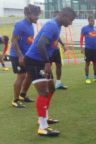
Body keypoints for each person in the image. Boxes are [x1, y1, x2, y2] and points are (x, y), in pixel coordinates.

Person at [24, 7, 76, 136]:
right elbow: (40, 44)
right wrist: (47, 62)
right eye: (70, 20)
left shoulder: (57, 25)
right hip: (35, 61)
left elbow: (49, 43)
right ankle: (42, 127)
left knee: (51, 89)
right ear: (63, 15)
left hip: (41, 61)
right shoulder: (52, 25)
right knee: (43, 92)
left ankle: (44, 117)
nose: (71, 23)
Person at [10, 4, 41, 108]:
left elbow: (29, 41)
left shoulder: (31, 25)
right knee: (21, 76)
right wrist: (20, 56)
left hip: (27, 55)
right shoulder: (20, 25)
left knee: (29, 75)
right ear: (28, 14)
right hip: (17, 55)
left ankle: (23, 95)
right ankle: (15, 100)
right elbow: (13, 41)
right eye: (36, 15)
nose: (37, 17)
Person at [80, 16, 96, 84]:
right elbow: (81, 38)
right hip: (88, 49)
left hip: (95, 49)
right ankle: (87, 78)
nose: (92, 22)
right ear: (88, 21)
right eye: (91, 21)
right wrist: (81, 47)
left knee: (95, 64)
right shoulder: (84, 28)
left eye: (93, 21)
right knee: (87, 63)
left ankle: (95, 78)